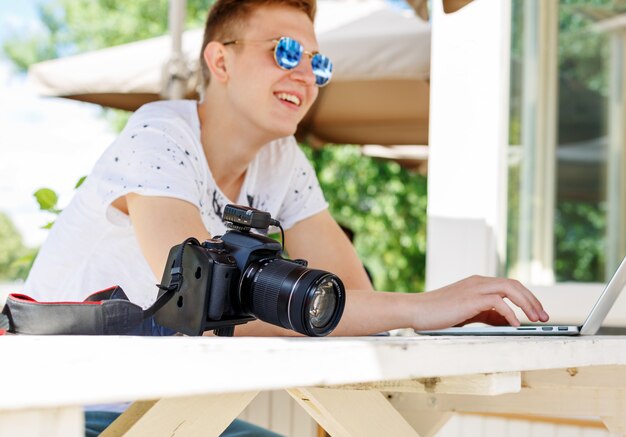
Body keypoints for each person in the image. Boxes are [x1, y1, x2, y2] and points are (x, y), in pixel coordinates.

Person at [24, 0, 550, 435]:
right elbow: (200, 307)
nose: (306, 73)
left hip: (165, 408)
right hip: (62, 409)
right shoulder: (158, 134)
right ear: (220, 61)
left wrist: (436, 311)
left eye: (318, 64)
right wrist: (425, 307)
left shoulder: (281, 160)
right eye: (286, 51)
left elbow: (349, 294)